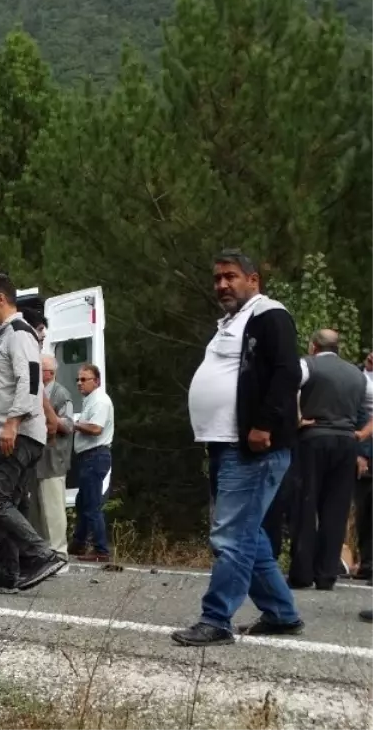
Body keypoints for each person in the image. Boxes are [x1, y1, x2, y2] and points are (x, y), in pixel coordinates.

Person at [172, 250, 303, 646]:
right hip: (226, 443)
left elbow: (287, 372)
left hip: (253, 447)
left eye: (231, 276)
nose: (222, 285)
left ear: (254, 280)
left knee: (230, 536)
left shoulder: (269, 315)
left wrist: (264, 425)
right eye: (217, 279)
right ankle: (281, 614)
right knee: (248, 535)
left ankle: (216, 619)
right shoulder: (232, 322)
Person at [0, 273, 66, 592]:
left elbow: (31, 380)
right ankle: (9, 572)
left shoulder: (19, 333)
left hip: (18, 432)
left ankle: (39, 554)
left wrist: (10, 424)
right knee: (12, 501)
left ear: (0, 299)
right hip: (18, 431)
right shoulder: (5, 335)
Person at [288, 329, 373, 591]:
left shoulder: (307, 364)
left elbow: (284, 388)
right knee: (335, 510)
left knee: (305, 504)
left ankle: (302, 573)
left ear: (313, 346)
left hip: (314, 438)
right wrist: (362, 434)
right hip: (346, 442)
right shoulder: (358, 375)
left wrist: (298, 420)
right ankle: (326, 575)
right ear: (338, 348)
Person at [69, 363, 115, 562]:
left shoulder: (100, 401)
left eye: (84, 379)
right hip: (89, 456)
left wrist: (73, 424)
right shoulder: (89, 400)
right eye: (77, 379)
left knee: (91, 505)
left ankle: (101, 549)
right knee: (82, 501)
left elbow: (96, 428)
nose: (79, 383)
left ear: (96, 381)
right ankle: (78, 543)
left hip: (95, 455)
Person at [36, 355, 75, 558]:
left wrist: (49, 417)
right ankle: (44, 553)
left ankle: (59, 553)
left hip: (54, 459)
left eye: (39, 369)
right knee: (40, 511)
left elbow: (69, 424)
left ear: (49, 372)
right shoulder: (35, 392)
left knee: (54, 508)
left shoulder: (62, 394)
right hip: (37, 460)